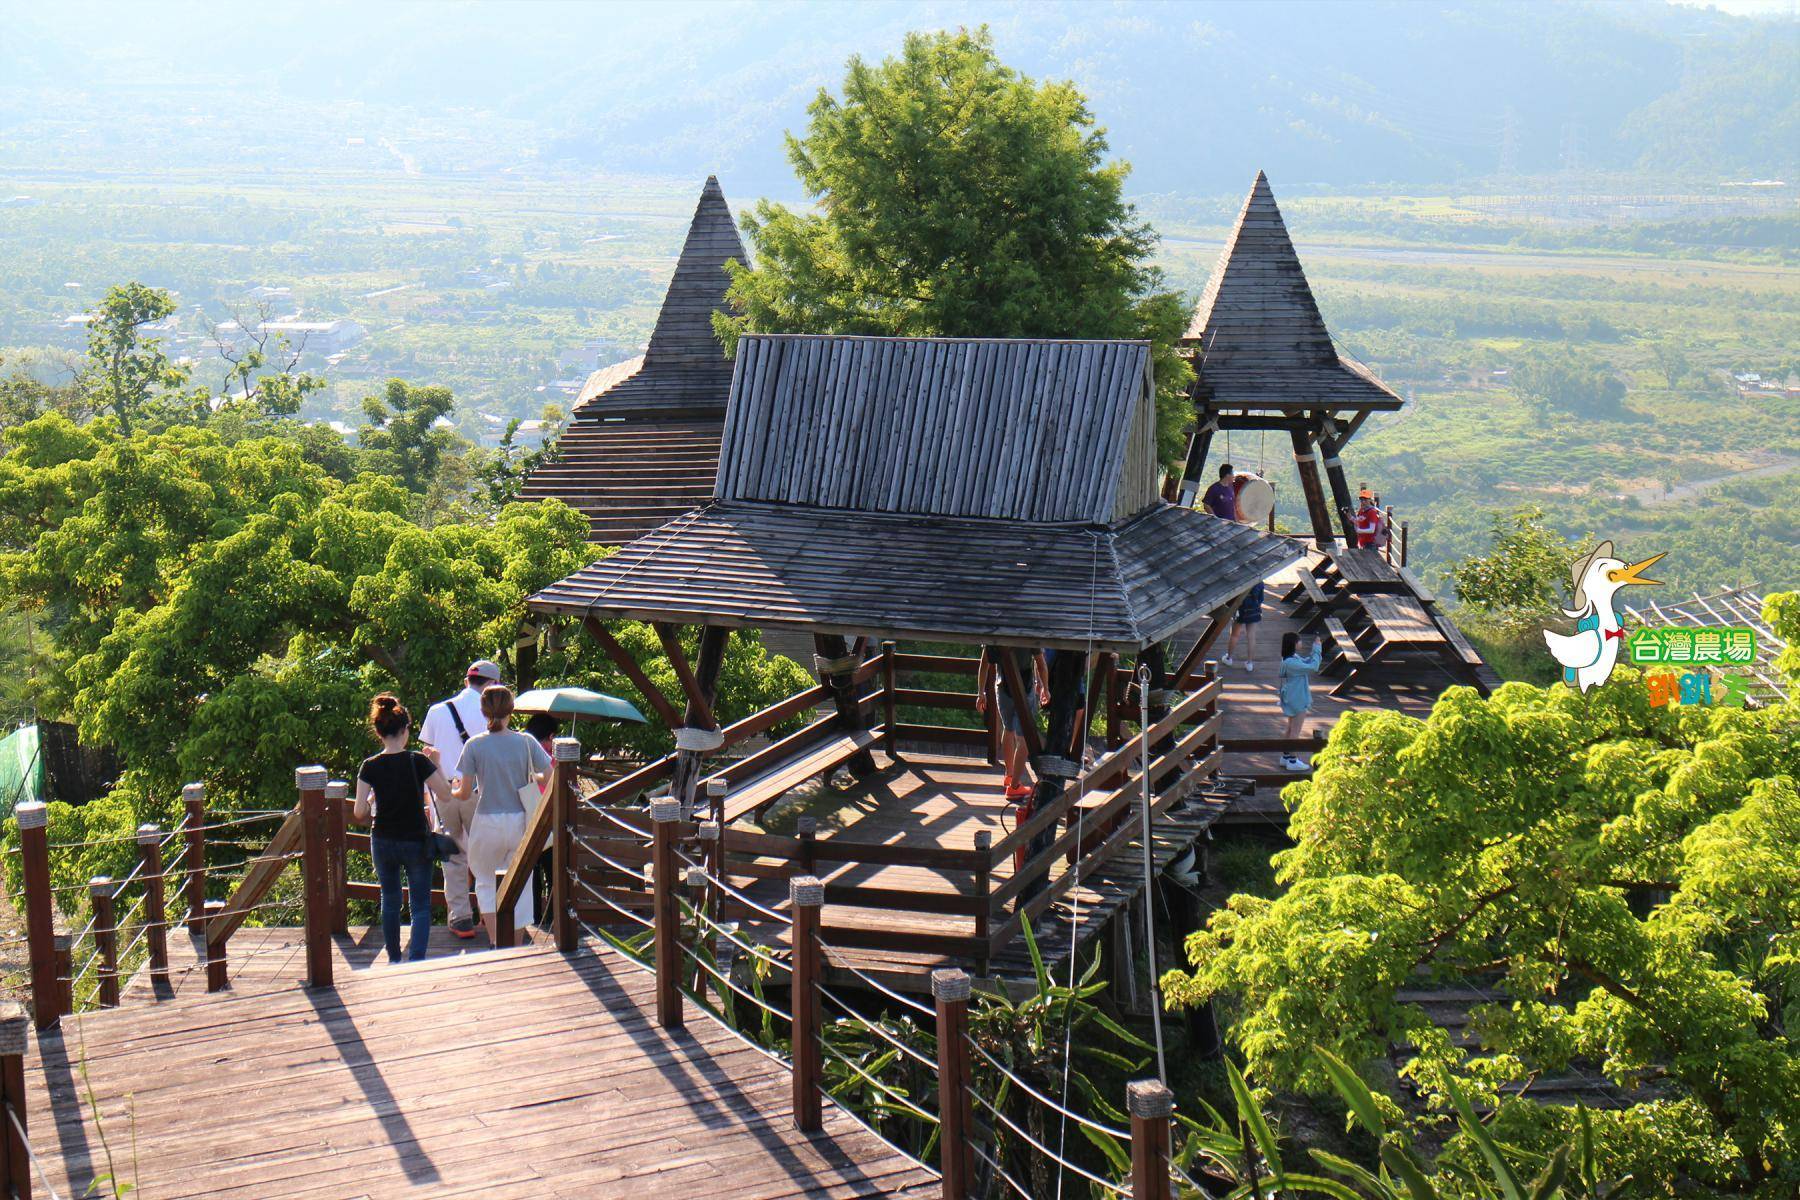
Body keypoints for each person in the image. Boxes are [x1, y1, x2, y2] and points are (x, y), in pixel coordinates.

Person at [352, 694, 453, 963]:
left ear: (378, 732)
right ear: (405, 730)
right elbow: (445, 795)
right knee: (420, 905)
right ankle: (416, 961)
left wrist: (373, 801)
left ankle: (394, 958)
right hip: (416, 839)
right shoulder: (418, 761)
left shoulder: (369, 766)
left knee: (390, 900)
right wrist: (438, 764)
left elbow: (359, 812)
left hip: (383, 839)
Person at [454, 684, 551, 945]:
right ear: (511, 709)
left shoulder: (474, 745)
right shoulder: (527, 742)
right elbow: (551, 777)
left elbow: (464, 793)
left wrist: (451, 792)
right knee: (520, 884)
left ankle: (498, 943)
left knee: (485, 882)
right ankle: (516, 946)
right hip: (521, 821)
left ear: (484, 711)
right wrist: (531, 776)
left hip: (487, 821)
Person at [419, 659, 503, 939]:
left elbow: (428, 755)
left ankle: (460, 918)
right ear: (492, 684)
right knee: (485, 852)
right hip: (478, 790)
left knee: (452, 855)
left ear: (467, 681)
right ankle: (488, 913)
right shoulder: (491, 713)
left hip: (443, 790)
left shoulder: (436, 711)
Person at [975, 645, 1050, 802]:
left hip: (1002, 687)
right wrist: (1045, 688)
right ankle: (1014, 786)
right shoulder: (1029, 634)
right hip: (1025, 687)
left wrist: (981, 693)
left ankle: (1009, 776)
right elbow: (1041, 664)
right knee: (1024, 737)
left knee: (1008, 729)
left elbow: (984, 663)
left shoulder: (996, 635)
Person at [1278, 632, 1322, 772]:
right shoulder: (1291, 663)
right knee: (1296, 731)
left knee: (1290, 728)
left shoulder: (1290, 659)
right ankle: (1293, 760)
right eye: (1299, 641)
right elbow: (1313, 667)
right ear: (1294, 644)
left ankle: (1285, 756)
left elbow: (1306, 662)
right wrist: (1317, 648)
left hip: (1292, 696)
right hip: (1297, 698)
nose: (1301, 643)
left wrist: (1314, 652)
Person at [1221, 582, 1264, 672]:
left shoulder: (1241, 579)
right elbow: (1261, 599)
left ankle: (1228, 658)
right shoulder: (1259, 582)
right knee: (1251, 636)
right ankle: (1249, 663)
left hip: (1240, 610)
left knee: (1234, 635)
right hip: (1254, 610)